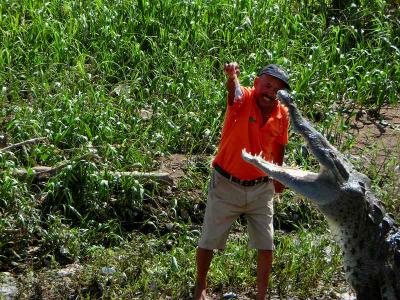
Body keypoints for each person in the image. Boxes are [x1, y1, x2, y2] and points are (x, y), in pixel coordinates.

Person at [194, 62, 291, 300]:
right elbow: (234, 92)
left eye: (277, 89)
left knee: (267, 245)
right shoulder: (244, 98)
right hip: (226, 182)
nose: (270, 92)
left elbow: (279, 146)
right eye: (267, 85)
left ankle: (261, 296)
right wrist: (232, 77)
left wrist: (278, 177)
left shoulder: (282, 114)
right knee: (209, 239)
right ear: (257, 83)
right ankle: (200, 287)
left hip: (260, 187)